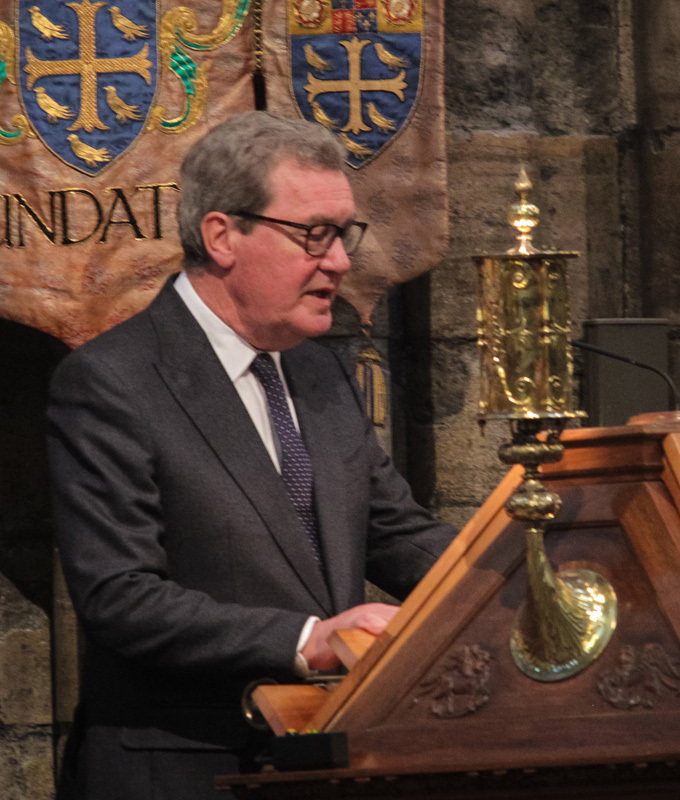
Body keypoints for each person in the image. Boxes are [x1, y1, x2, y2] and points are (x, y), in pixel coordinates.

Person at [47, 111, 458, 798]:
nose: (340, 261)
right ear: (223, 235)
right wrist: (308, 640)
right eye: (314, 236)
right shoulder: (111, 382)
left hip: (317, 764)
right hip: (182, 771)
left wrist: (529, 573)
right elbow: (121, 597)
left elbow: (398, 533)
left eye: (343, 234)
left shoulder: (318, 374)